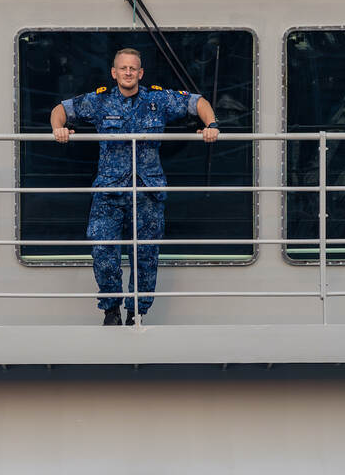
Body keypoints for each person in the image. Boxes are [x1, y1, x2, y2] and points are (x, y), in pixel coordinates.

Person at [50, 48, 219, 326]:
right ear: (114, 73)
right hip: (109, 190)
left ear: (140, 73)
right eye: (123, 68)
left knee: (146, 255)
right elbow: (61, 110)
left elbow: (197, 102)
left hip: (147, 191)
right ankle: (111, 309)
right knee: (103, 249)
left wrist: (211, 124)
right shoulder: (100, 101)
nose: (128, 73)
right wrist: (60, 129)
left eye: (133, 69)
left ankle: (137, 313)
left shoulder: (158, 99)